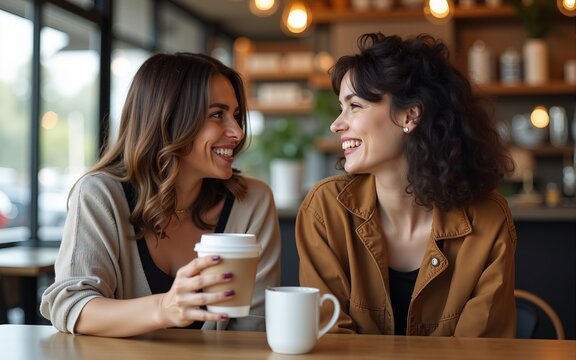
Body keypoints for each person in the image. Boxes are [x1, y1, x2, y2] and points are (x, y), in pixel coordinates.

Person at [40, 52, 281, 337]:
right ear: (169, 119)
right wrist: (163, 309)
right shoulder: (100, 195)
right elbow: (71, 305)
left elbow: (252, 327)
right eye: (218, 115)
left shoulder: (253, 201)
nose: (238, 132)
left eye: (236, 116)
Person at [295, 33, 516, 337]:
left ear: (410, 115)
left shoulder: (488, 218)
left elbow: (482, 350)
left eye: (355, 106)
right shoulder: (325, 209)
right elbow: (329, 340)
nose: (336, 124)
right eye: (340, 107)